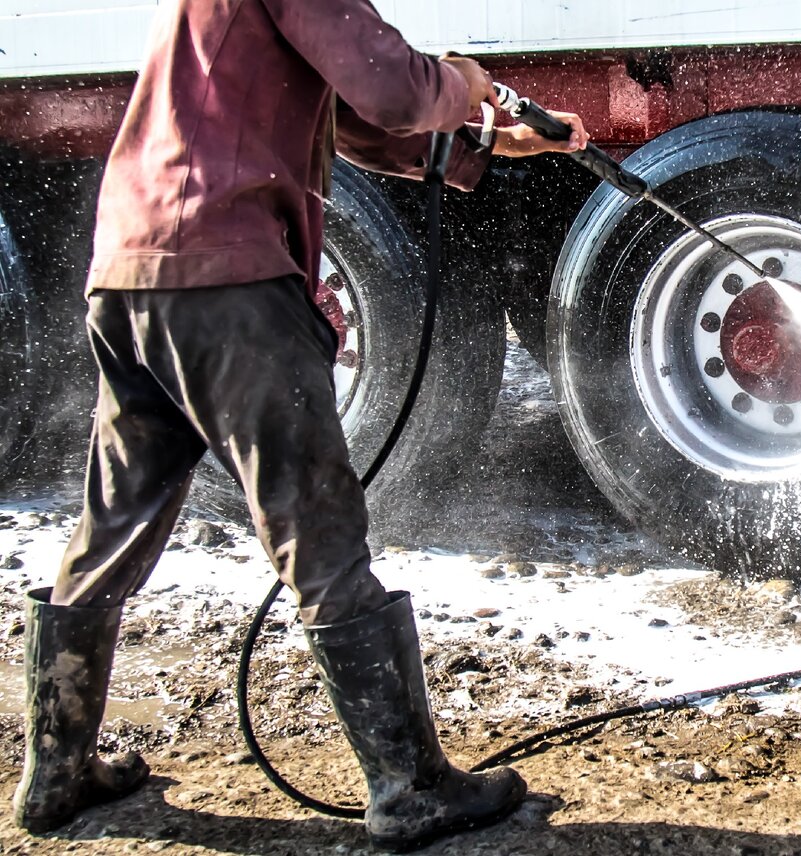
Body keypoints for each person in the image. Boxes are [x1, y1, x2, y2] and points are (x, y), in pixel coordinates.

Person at [12, 0, 588, 851]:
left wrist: (480, 143)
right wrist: (465, 82)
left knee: (114, 522)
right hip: (228, 280)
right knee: (317, 527)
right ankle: (410, 786)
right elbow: (394, 89)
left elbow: (352, 120)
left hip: (134, 273)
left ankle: (56, 772)